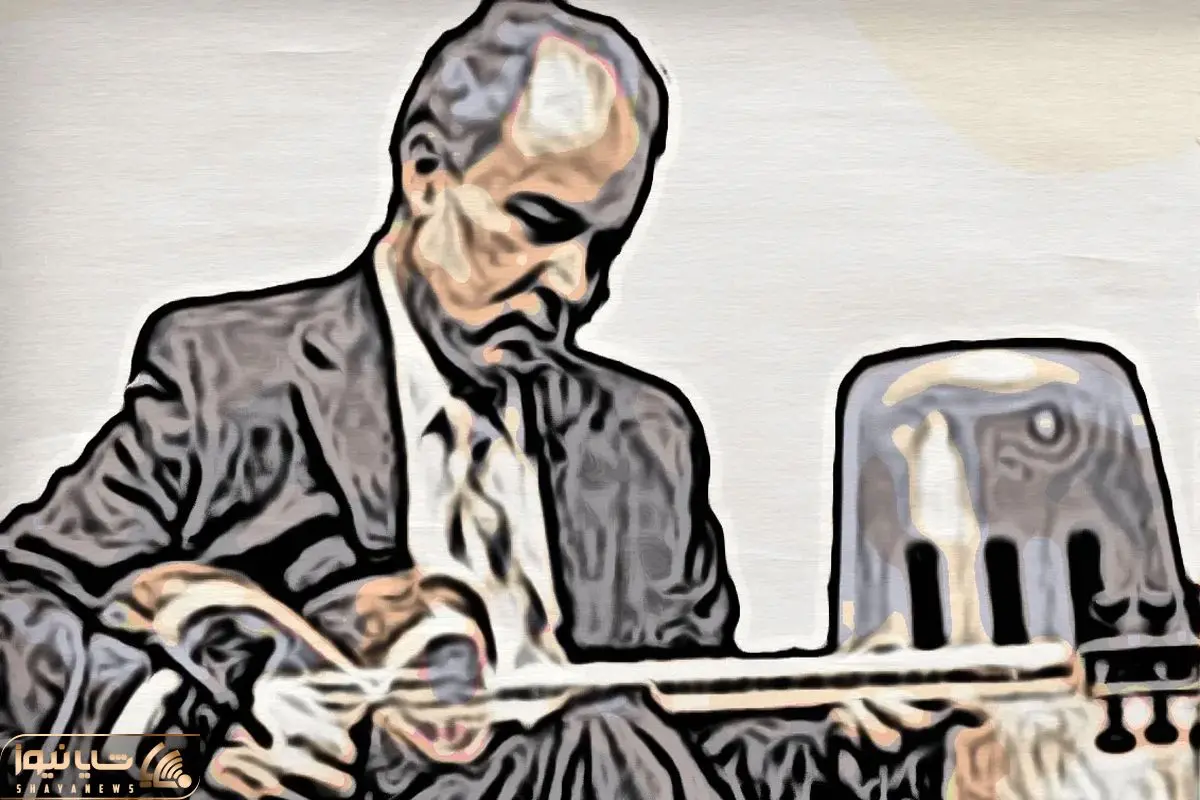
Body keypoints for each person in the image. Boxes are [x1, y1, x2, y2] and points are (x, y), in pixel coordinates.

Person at [0, 1, 973, 798]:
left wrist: (844, 723)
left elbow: (703, 743)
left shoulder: (643, 439)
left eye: (604, 246)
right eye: (542, 223)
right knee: (600, 735)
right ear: (426, 173)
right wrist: (175, 758)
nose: (576, 287)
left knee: (612, 734)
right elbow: (20, 605)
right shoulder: (237, 376)